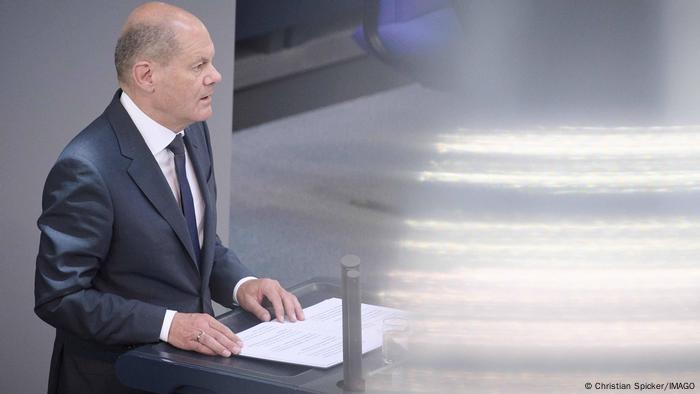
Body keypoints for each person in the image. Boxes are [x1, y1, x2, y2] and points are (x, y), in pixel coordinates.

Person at [34, 3, 304, 393]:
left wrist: (241, 284)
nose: (216, 76)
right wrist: (168, 324)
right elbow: (59, 298)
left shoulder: (191, 131)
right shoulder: (86, 168)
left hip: (191, 370)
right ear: (146, 75)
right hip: (120, 377)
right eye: (199, 66)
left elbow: (194, 244)